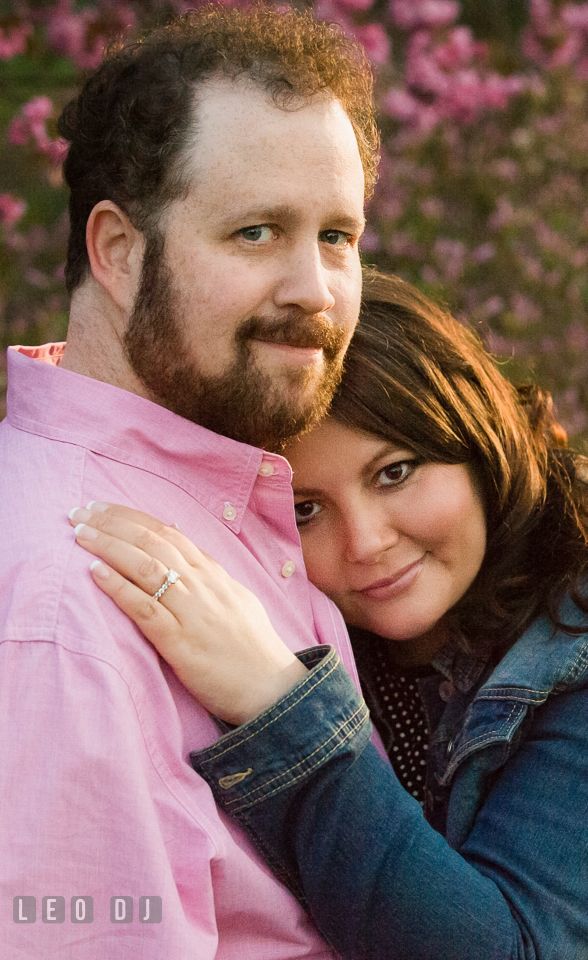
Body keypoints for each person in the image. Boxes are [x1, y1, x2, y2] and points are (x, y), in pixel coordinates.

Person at [71, 271, 588, 959]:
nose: (366, 544)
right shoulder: (283, 604)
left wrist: (276, 704)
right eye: (304, 509)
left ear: (479, 445)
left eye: (394, 472)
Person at [0, 6, 377, 957]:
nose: (315, 289)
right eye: (256, 232)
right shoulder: (62, 598)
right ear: (118, 253)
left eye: (337, 235)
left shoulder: (230, 496)